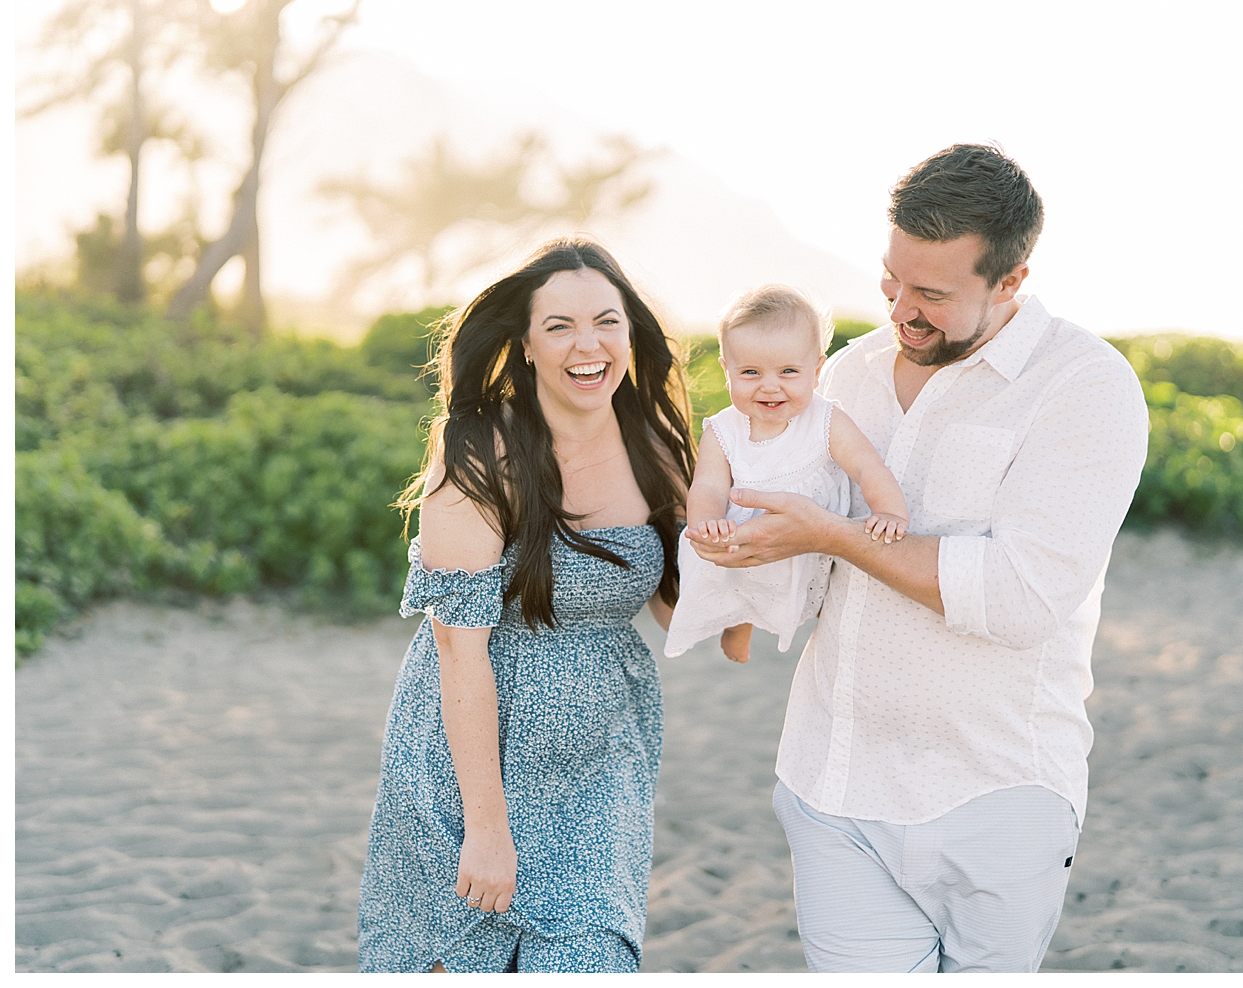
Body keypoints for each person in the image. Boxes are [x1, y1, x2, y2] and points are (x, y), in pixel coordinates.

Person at [690, 144, 1150, 973]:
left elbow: (1018, 598)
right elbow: (795, 554)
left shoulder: (1087, 386)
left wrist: (831, 534)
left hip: (999, 792)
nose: (902, 310)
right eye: (891, 281)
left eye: (933, 294)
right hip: (832, 784)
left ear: (1011, 281)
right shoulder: (846, 373)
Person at [357, 239, 694, 973]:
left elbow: (683, 613)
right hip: (468, 766)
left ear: (630, 335)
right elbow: (458, 646)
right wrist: (486, 827)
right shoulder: (482, 449)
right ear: (526, 344)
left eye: (607, 321)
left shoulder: (657, 449)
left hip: (598, 769)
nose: (589, 345)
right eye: (560, 326)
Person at [663, 285, 909, 664]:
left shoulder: (826, 420)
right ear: (726, 371)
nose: (770, 386)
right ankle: (737, 626)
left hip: (808, 542)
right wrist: (706, 522)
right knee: (735, 583)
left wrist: (889, 509)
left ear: (817, 371)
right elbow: (708, 484)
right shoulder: (723, 429)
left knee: (824, 592)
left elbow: (866, 465)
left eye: (788, 371)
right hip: (742, 538)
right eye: (750, 372)